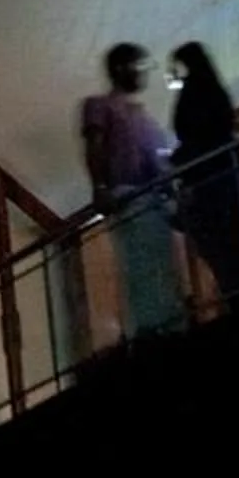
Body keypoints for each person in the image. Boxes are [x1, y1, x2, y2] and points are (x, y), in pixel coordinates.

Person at [79, 42, 185, 344]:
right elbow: (95, 145)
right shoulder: (100, 105)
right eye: (140, 66)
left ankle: (170, 327)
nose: (144, 73)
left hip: (156, 202)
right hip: (128, 195)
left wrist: (174, 201)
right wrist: (100, 187)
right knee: (142, 268)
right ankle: (151, 333)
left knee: (163, 268)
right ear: (121, 68)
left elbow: (159, 164)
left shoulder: (146, 120)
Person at [167, 41, 239, 309]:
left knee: (224, 261)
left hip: (210, 191)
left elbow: (195, 142)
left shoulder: (192, 97)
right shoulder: (215, 92)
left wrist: (177, 162)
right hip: (230, 186)